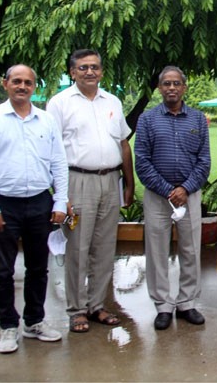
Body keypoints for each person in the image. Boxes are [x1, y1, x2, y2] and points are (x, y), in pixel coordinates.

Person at [0, 64, 68, 354]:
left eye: (28, 82)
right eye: (16, 81)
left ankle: (34, 321)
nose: (22, 86)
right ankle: (8, 326)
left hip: (40, 202)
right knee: (2, 271)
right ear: (5, 84)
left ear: (35, 86)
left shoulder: (46, 121)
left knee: (38, 267)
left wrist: (60, 201)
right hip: (4, 205)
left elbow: (58, 163)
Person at [47, 49, 135, 334]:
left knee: (105, 247)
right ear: (72, 72)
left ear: (101, 71)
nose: (89, 72)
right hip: (77, 181)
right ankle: (76, 309)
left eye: (94, 67)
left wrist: (129, 182)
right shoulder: (59, 104)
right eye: (83, 67)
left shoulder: (113, 101)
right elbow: (52, 150)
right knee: (78, 248)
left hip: (110, 181)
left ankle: (97, 305)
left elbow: (123, 143)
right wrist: (62, 195)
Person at [134, 66, 210, 330]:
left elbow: (204, 161)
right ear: (159, 88)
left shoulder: (198, 119)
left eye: (176, 83)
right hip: (158, 196)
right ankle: (163, 306)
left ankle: (187, 303)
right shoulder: (147, 119)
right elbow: (141, 162)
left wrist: (185, 189)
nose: (171, 88)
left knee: (190, 250)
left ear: (184, 87)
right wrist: (168, 190)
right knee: (157, 251)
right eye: (166, 83)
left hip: (189, 195)